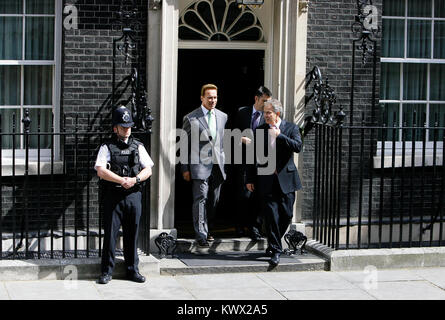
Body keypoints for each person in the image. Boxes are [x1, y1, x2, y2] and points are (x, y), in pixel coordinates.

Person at [95, 106, 154, 284]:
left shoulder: (138, 146)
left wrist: (134, 180)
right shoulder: (107, 147)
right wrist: (121, 180)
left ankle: (132, 270)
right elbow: (100, 171)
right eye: (123, 126)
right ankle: (106, 272)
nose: (127, 129)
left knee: (132, 234)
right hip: (113, 196)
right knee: (111, 235)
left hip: (133, 195)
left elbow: (148, 169)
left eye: (128, 126)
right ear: (115, 128)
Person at [246, 98, 302, 267]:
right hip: (266, 180)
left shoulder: (291, 128)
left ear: (277, 113)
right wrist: (249, 178)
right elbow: (252, 155)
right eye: (264, 113)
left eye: (268, 113)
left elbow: (298, 146)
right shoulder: (260, 130)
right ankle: (276, 250)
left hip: (286, 180)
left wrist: (280, 136)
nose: (265, 116)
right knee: (271, 217)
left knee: (286, 215)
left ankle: (273, 243)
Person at [181, 84, 228, 247]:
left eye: (215, 97)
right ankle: (200, 234)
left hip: (217, 166)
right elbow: (183, 145)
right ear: (202, 98)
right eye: (209, 97)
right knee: (200, 199)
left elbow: (221, 142)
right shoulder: (191, 118)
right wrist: (185, 168)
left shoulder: (223, 116)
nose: (212, 100)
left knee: (213, 200)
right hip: (199, 165)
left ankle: (208, 230)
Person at [234, 86, 272, 240]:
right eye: (264, 101)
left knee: (259, 195)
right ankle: (239, 225)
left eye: (268, 101)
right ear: (256, 99)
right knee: (243, 194)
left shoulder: (268, 115)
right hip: (243, 159)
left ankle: (255, 228)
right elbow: (232, 132)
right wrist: (241, 138)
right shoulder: (242, 112)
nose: (266, 104)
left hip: (262, 161)